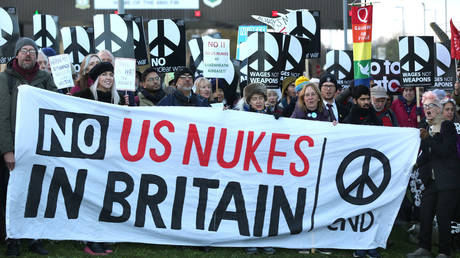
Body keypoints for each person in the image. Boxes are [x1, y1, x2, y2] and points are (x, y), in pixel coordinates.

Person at [0, 37, 57, 256]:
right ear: (16, 54)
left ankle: (35, 237)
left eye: (32, 51)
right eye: (24, 50)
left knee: (36, 194)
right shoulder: (5, 79)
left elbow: (56, 106)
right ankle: (12, 239)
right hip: (14, 147)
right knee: (12, 195)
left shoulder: (45, 78)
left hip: (38, 146)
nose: (28, 54)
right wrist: (7, 150)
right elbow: (3, 116)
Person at [73, 62, 125, 255]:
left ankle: (101, 237)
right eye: (104, 74)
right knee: (90, 196)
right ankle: (89, 239)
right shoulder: (83, 96)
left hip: (111, 157)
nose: (108, 78)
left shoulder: (118, 99)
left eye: (111, 74)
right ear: (97, 79)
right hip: (89, 156)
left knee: (106, 197)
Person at [407, 91, 460, 258]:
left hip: (448, 181)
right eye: (425, 107)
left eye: (431, 106)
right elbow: (428, 155)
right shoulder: (427, 128)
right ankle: (424, 248)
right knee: (426, 213)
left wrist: (428, 139)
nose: (427, 109)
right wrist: (413, 164)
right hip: (432, 180)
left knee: (443, 217)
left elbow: (445, 151)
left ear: (438, 110)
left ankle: (444, 252)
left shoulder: (447, 126)